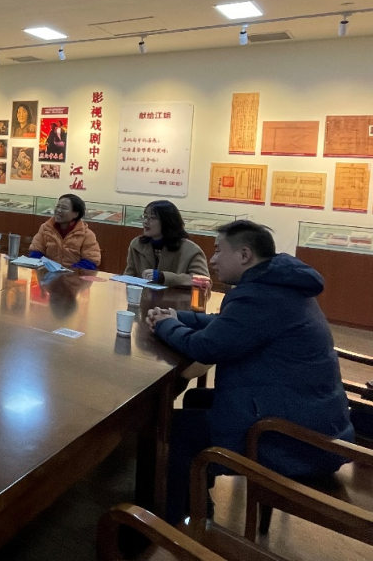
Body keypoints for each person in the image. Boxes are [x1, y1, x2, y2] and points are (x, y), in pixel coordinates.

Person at [148, 220, 353, 523]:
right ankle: (198, 503)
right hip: (308, 414)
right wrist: (179, 317)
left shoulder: (262, 295)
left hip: (292, 439)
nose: (213, 260)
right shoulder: (277, 285)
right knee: (196, 399)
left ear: (244, 255)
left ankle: (172, 523)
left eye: (219, 251)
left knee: (176, 428)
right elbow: (231, 326)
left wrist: (166, 325)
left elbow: (207, 348)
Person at [125, 200, 210, 286]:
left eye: (152, 218)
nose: (145, 222)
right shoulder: (137, 245)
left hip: (176, 295)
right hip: (143, 294)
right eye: (145, 216)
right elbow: (129, 276)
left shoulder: (191, 250)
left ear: (167, 221)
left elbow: (204, 281)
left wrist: (164, 277)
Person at [26, 194, 101, 269]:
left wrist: (70, 271)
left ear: (75, 214)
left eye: (64, 208)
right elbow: (36, 250)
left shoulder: (87, 234)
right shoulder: (45, 228)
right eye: (57, 206)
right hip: (47, 272)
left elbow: (91, 260)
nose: (58, 210)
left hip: (74, 274)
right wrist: (41, 265)